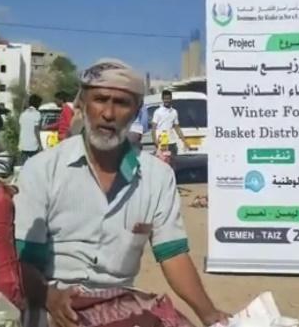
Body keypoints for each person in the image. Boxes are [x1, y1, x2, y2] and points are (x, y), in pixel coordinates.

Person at [15, 59, 227, 327]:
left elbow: (173, 255)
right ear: (82, 103)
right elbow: (22, 259)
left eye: (121, 103)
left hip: (118, 307)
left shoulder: (158, 177)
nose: (108, 113)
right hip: (50, 304)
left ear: (136, 111)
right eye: (100, 100)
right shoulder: (43, 169)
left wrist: (209, 314)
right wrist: (50, 297)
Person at [151, 90, 190, 163]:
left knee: (173, 163)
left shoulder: (174, 112)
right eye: (165, 99)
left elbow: (177, 128)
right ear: (162, 99)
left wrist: (184, 141)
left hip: (172, 142)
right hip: (162, 143)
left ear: (171, 99)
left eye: (168, 98)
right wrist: (156, 142)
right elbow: (153, 129)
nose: (167, 101)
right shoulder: (158, 112)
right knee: (163, 164)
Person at [18, 94, 43, 165]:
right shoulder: (37, 114)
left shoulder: (23, 114)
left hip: (23, 144)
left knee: (23, 166)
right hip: (33, 145)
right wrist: (40, 145)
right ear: (37, 103)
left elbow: (21, 127)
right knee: (34, 165)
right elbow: (36, 130)